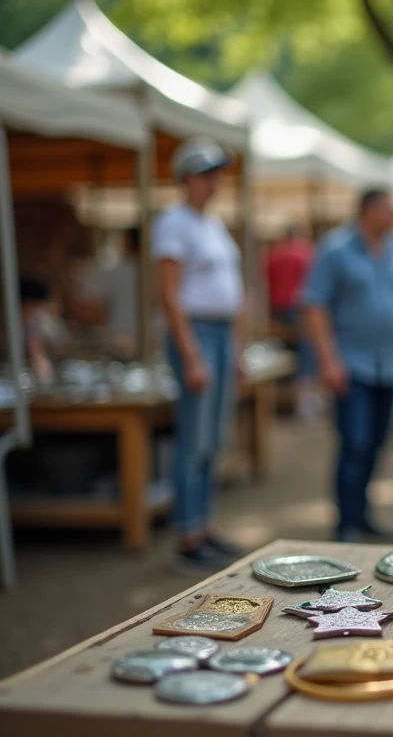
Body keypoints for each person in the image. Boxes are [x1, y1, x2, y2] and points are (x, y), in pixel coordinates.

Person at [304, 188, 393, 543]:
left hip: (390, 365)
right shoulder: (335, 249)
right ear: (368, 211)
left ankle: (363, 515)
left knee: (377, 441)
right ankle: (345, 523)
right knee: (354, 443)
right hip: (351, 365)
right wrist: (329, 360)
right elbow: (315, 306)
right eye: (388, 211)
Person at [152, 136, 245, 574]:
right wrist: (191, 356)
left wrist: (237, 349)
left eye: (217, 174)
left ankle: (203, 527)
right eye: (208, 174)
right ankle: (188, 534)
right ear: (188, 177)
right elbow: (169, 296)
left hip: (221, 335)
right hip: (198, 334)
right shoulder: (174, 223)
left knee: (214, 437)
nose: (216, 182)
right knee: (195, 438)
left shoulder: (211, 224)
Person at [265, 225, 319, 419]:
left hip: (278, 311)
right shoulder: (306, 253)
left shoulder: (272, 254)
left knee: (282, 352)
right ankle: (304, 402)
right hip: (299, 310)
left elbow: (267, 282)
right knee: (307, 351)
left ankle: (278, 401)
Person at [78, 227, 140, 359]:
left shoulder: (113, 271)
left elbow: (88, 304)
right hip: (151, 341)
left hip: (118, 342)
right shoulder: (157, 272)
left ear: (126, 242)